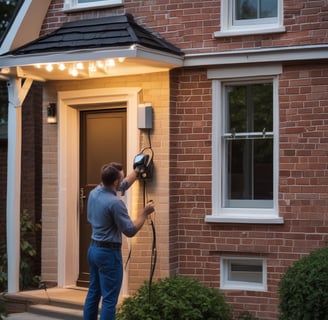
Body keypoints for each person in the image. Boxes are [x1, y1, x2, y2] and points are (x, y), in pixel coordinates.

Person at [83, 162, 155, 320]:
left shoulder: (95, 193)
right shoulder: (115, 203)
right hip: (108, 254)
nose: (122, 180)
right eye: (120, 177)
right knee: (109, 300)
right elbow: (129, 230)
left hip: (93, 250)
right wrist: (144, 213)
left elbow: (123, 185)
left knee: (93, 293)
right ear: (114, 181)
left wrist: (136, 172)